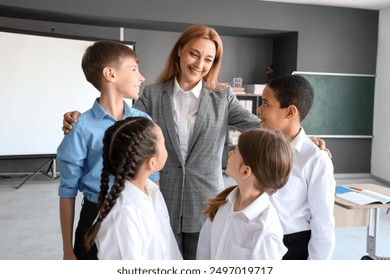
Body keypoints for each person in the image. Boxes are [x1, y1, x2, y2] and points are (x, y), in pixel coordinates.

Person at [61, 24, 328, 259]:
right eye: (194, 54)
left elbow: (262, 126)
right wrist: (78, 118)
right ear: (179, 51)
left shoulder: (223, 97)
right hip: (161, 199)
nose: (200, 64)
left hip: (206, 203)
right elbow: (122, 123)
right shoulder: (153, 95)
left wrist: (300, 136)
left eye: (209, 59)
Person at [57, 40, 158, 260]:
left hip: (137, 216)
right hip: (93, 217)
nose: (141, 77)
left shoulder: (145, 121)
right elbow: (67, 190)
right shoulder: (81, 127)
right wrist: (67, 249)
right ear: (110, 74)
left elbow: (153, 181)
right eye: (134, 69)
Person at [257, 74, 336, 260]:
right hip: (260, 241)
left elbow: (323, 223)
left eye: (266, 103)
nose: (259, 110)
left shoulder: (315, 159)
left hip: (292, 247)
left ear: (290, 112)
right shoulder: (261, 145)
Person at [84, 116, 182, 260]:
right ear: (152, 163)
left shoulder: (153, 193)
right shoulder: (123, 215)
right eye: (164, 145)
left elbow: (168, 249)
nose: (167, 148)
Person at [196, 128, 293, 260]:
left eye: (235, 151)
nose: (230, 153)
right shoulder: (224, 204)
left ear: (245, 171)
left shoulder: (265, 231)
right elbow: (204, 250)